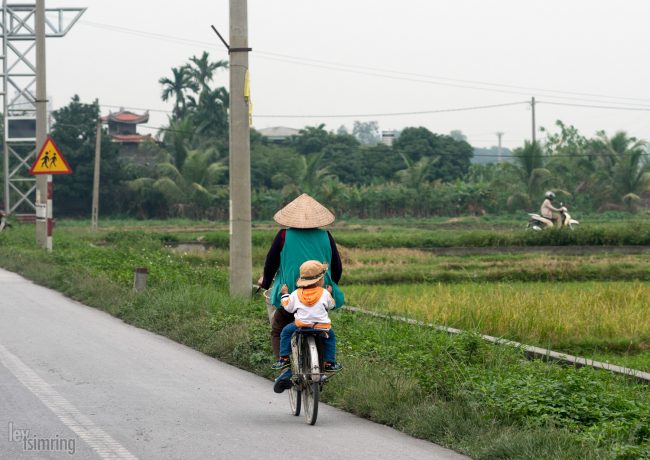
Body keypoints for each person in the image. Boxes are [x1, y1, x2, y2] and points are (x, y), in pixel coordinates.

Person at [257, 193, 344, 362]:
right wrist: (329, 287)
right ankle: (323, 365)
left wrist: (266, 282)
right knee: (322, 329)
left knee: (278, 328)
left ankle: (283, 365)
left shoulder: (283, 235)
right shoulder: (326, 236)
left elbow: (271, 263)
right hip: (321, 289)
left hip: (290, 289)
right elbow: (337, 267)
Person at [271, 260, 342, 373]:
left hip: (301, 325)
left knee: (285, 332)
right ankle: (329, 362)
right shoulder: (324, 293)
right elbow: (331, 305)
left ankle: (284, 358)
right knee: (331, 338)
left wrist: (285, 294)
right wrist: (329, 293)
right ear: (320, 280)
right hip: (321, 326)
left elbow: (288, 307)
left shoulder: (296, 293)